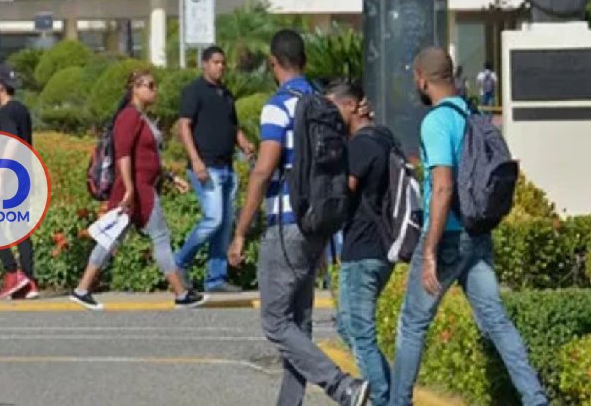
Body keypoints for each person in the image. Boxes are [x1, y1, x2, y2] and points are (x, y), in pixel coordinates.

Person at [390, 48, 546, 406]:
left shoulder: (435, 121)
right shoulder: (471, 113)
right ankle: (536, 400)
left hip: (446, 236)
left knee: (412, 324)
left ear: (422, 79)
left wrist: (429, 251)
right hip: (477, 234)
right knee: (497, 321)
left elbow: (443, 186)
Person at [228, 30, 370, 406]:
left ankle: (343, 387)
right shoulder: (323, 103)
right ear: (304, 61)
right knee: (298, 324)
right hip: (317, 222)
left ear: (274, 64)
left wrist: (241, 231)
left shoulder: (278, 106)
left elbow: (263, 170)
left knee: (275, 322)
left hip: (285, 222)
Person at [70, 69, 202, 311]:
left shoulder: (141, 117)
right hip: (136, 190)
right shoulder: (129, 117)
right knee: (159, 238)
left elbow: (147, 157)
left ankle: (82, 289)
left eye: (154, 85)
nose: (155, 90)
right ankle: (181, 293)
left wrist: (171, 177)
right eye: (150, 86)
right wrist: (130, 190)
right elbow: (123, 155)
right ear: (135, 89)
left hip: (139, 187)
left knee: (112, 238)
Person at [326, 80, 395, 406]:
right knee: (349, 326)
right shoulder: (385, 137)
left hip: (363, 248)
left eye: (333, 107)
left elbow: (343, 192)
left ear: (351, 106)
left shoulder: (361, 146)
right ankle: (391, 393)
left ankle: (384, 398)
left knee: (359, 333)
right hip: (382, 248)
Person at [175, 46, 254, 294]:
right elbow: (184, 126)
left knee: (224, 224)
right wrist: (195, 161)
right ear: (205, 65)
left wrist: (244, 143)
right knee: (213, 219)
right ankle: (178, 263)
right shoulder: (194, 91)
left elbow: (232, 126)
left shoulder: (226, 94)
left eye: (223, 63)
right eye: (216, 62)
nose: (221, 67)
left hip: (226, 167)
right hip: (206, 167)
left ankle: (216, 278)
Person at [0, 64, 40, 300]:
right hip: (25, 175)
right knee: (20, 229)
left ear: (0, 87)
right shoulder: (22, 110)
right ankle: (29, 281)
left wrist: (0, 176)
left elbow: (11, 142)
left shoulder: (7, 111)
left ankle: (12, 273)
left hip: (11, 178)